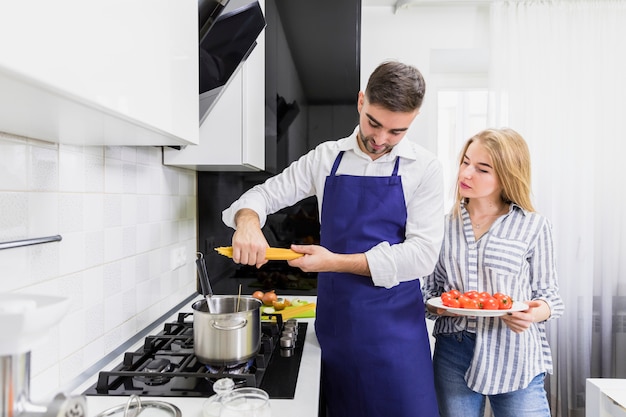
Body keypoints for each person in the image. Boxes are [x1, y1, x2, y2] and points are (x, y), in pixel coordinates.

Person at [222, 60, 443, 417]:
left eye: (397, 131)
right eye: (374, 122)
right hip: (338, 332)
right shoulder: (326, 159)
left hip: (397, 337)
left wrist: (334, 262)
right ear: (361, 102)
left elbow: (422, 255)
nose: (381, 139)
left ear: (412, 121)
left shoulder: (425, 168)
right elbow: (261, 196)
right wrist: (247, 222)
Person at [422, 128, 565, 417]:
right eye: (465, 162)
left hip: (516, 352)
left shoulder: (534, 226)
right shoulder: (442, 226)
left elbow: (550, 297)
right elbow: (429, 292)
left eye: (482, 168)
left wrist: (532, 313)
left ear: (507, 175)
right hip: (455, 349)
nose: (466, 173)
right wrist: (442, 308)